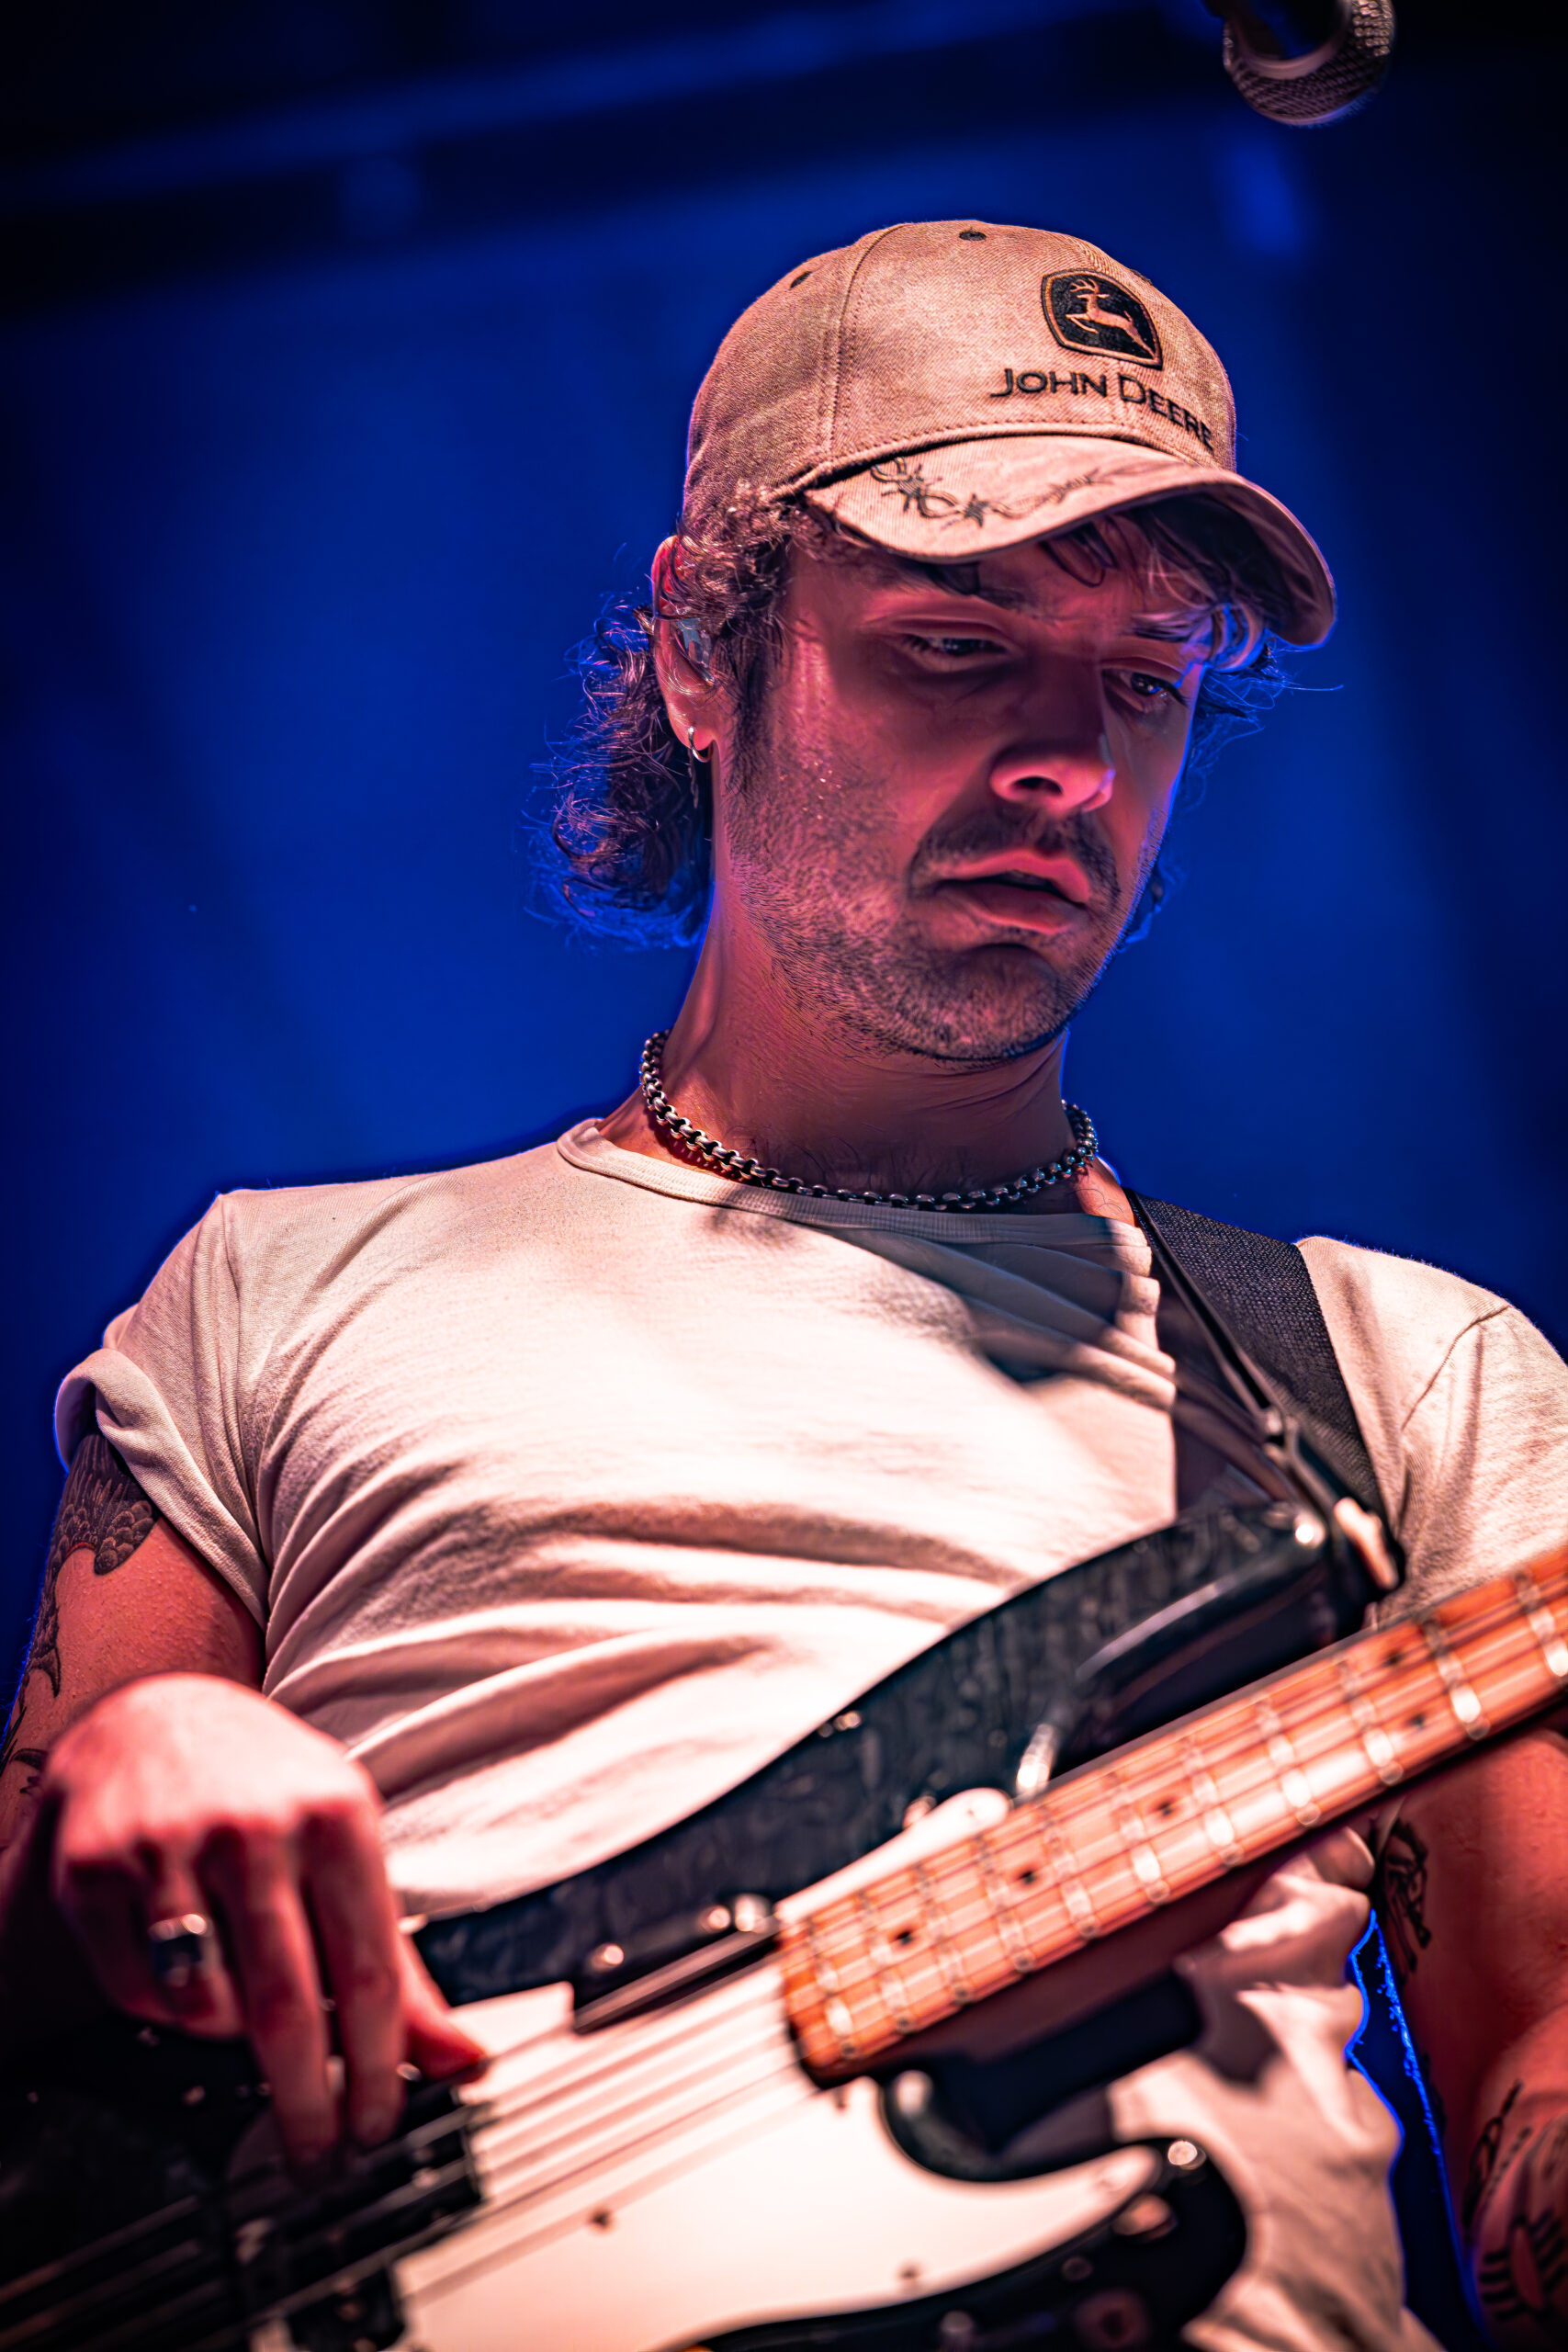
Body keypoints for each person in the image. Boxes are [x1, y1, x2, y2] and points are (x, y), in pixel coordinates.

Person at [2, 220, 1566, 2352]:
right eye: (952, 645)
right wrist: (142, 1753)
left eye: (1137, 680)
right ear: (697, 652)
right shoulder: (277, 1284)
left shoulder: (1398, 1373)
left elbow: (1529, 2073)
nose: (1067, 765)